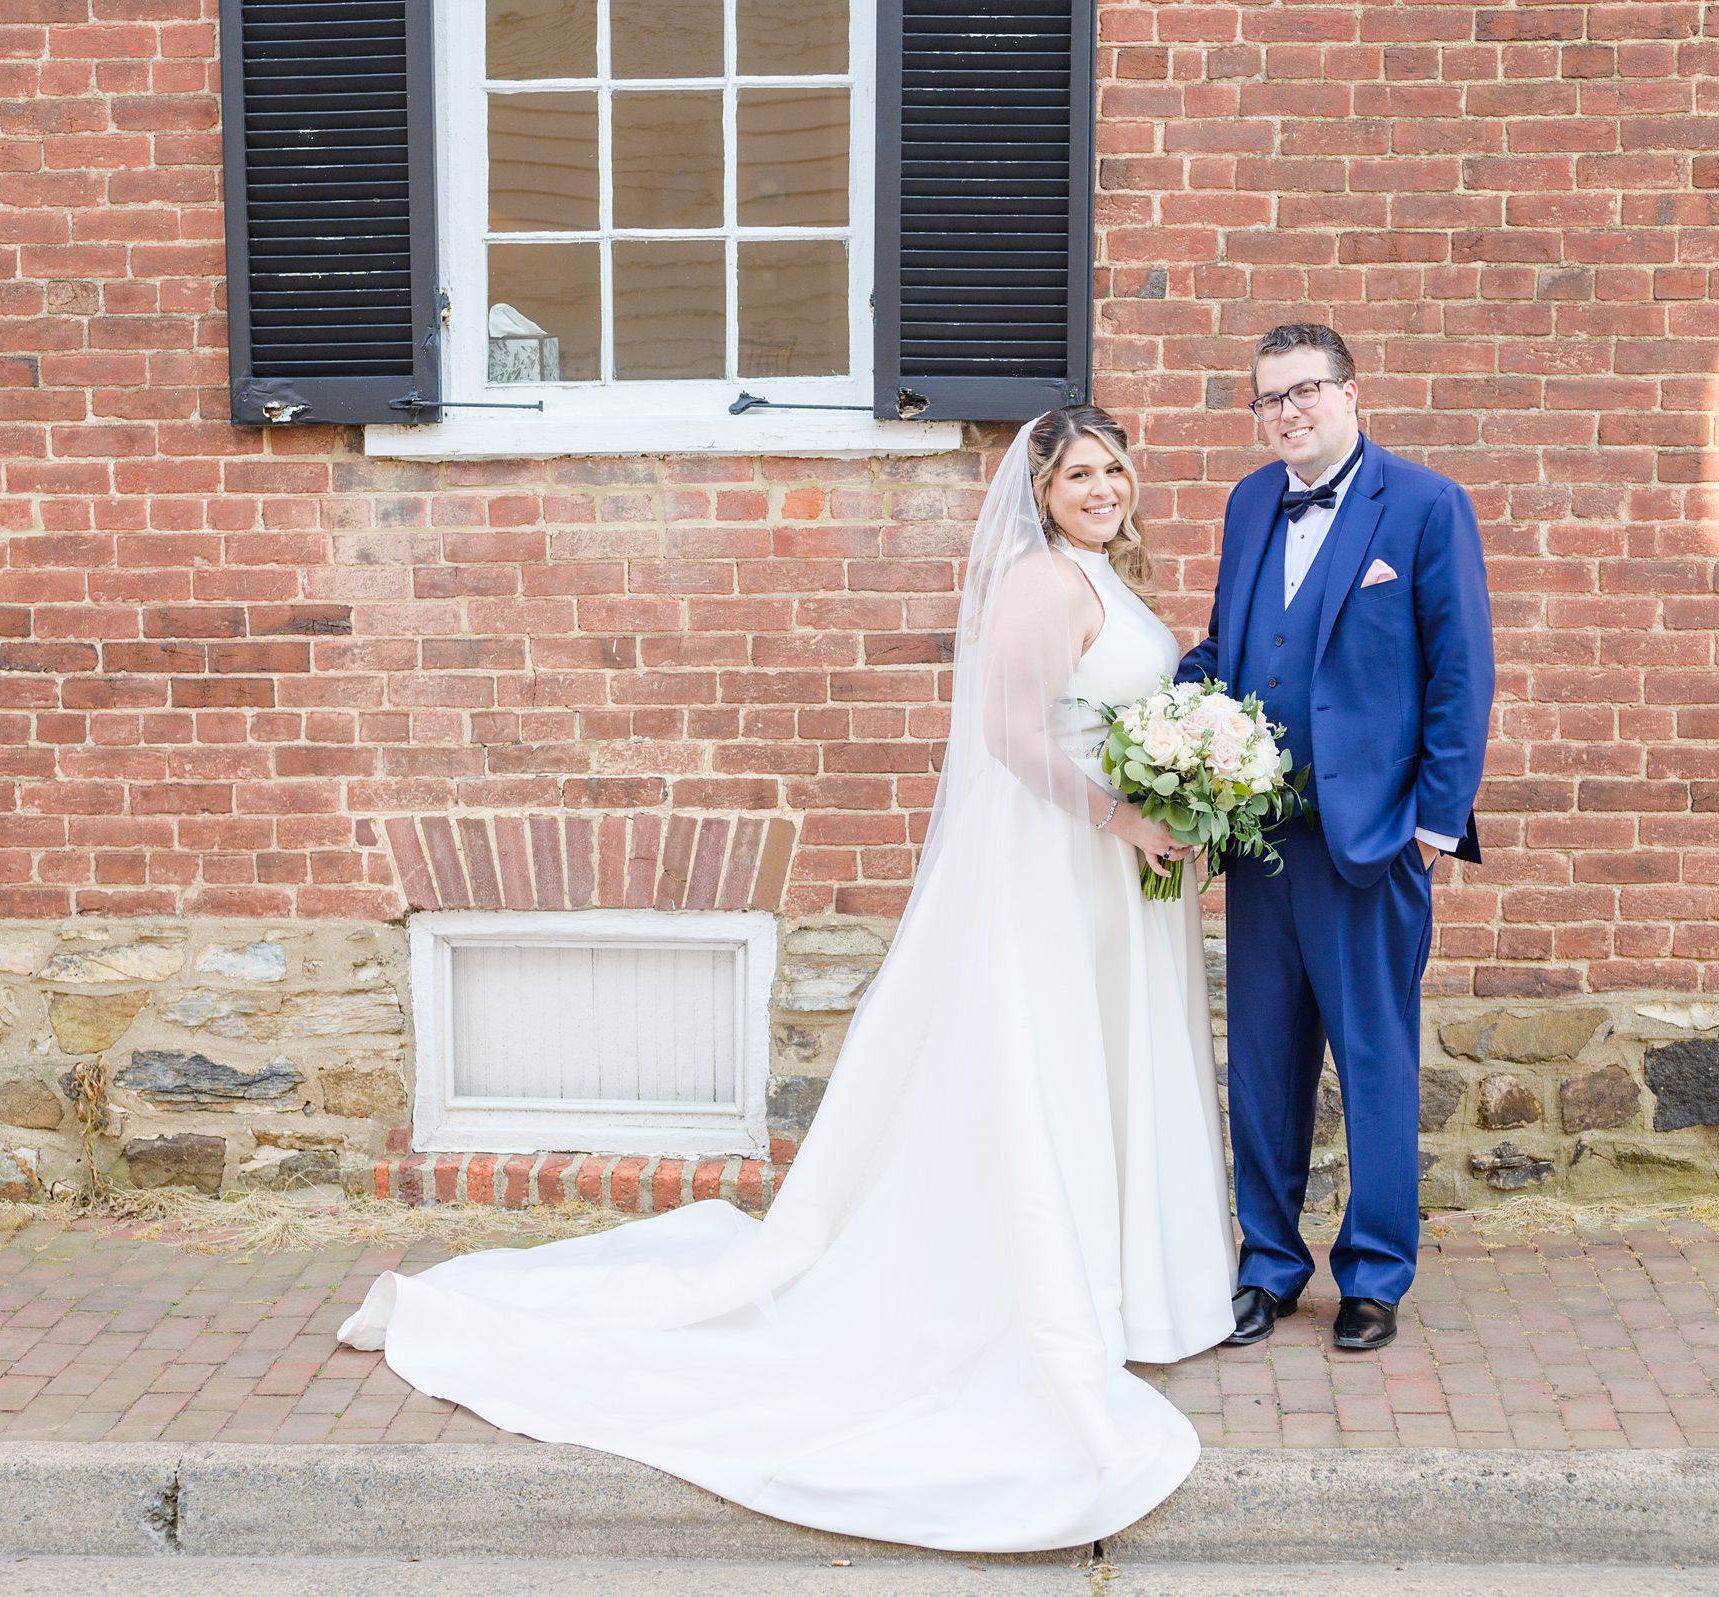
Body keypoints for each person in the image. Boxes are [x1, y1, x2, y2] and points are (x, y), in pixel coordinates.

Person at [339, 406, 1235, 1552]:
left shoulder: (1104, 576)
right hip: (1062, 861)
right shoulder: (1042, 586)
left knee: (1110, 1055)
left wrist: (1182, 794)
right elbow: (1014, 738)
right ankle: (1067, 1288)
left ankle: (1128, 1280)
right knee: (1053, 1057)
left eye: (1115, 468)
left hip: (1113, 866)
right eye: (1079, 475)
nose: (1103, 488)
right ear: (1042, 491)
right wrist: (1120, 814)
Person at [1178, 322, 1495, 1354]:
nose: (1288, 414)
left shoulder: (1425, 505)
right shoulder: (1247, 502)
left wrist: (1433, 828)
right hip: (1262, 839)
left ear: (1354, 393)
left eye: (1305, 391)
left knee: (1373, 1062)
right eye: (1269, 399)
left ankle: (1374, 1273)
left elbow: (1461, 675)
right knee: (1263, 1066)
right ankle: (1267, 1263)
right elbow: (1233, 642)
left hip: (1372, 845)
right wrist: (1177, 720)